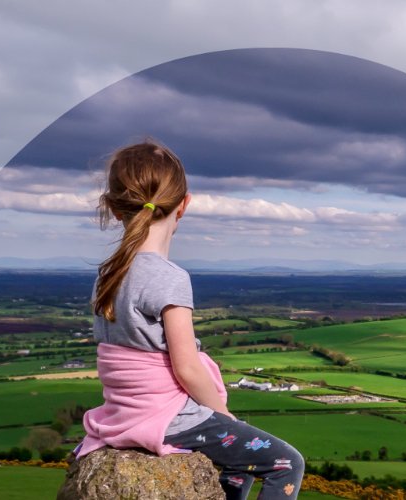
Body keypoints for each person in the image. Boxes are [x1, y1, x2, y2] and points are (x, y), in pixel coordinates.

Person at [74, 139, 305, 499]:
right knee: (287, 463)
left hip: (122, 414)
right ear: (184, 205)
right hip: (168, 418)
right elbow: (187, 367)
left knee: (237, 463)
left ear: (115, 208)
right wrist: (224, 414)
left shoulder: (108, 274)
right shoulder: (169, 277)